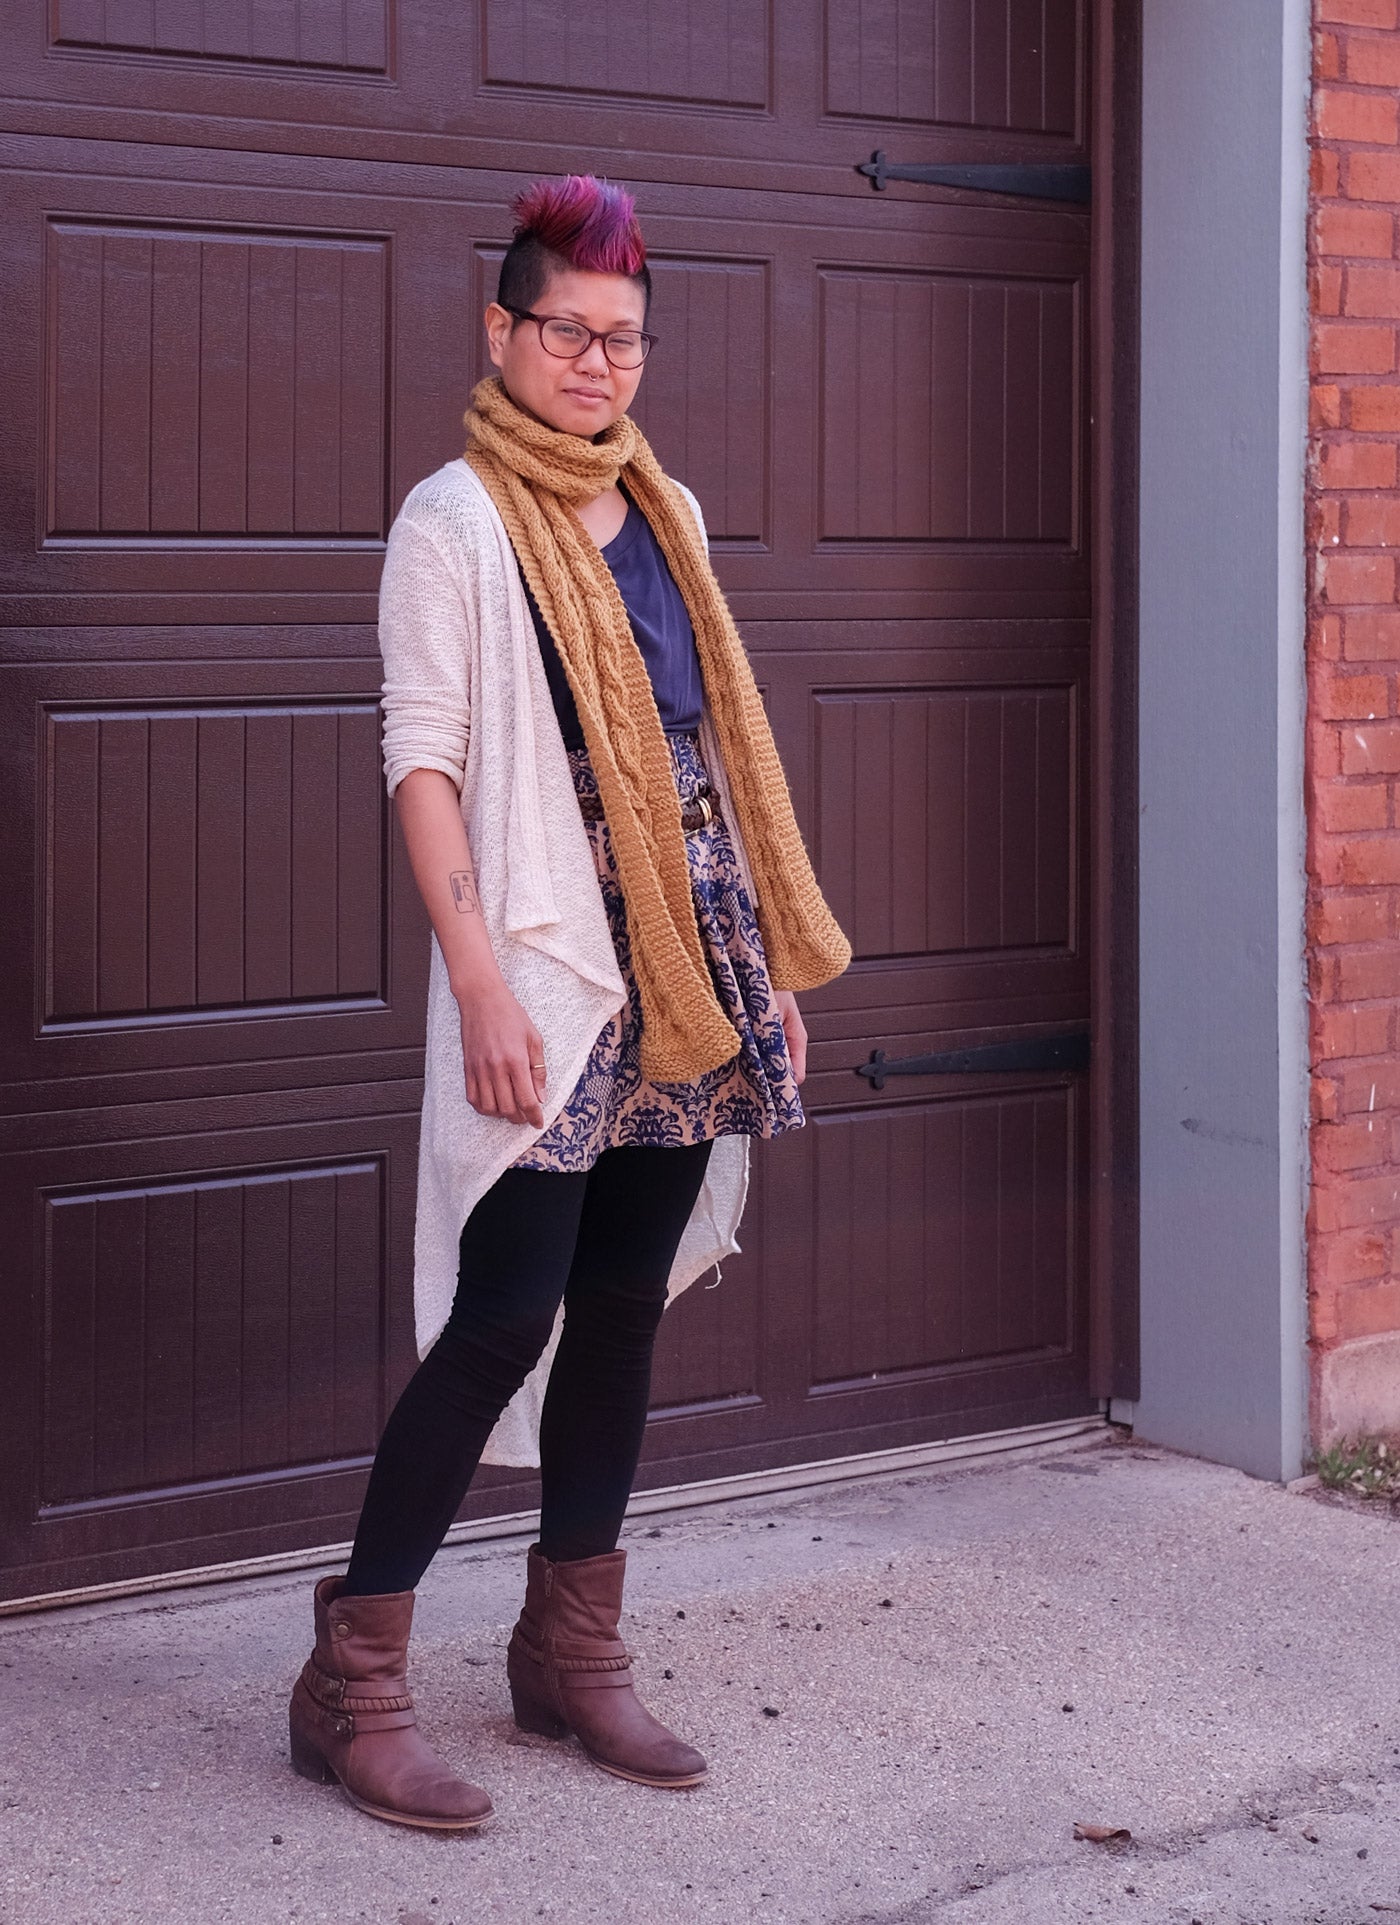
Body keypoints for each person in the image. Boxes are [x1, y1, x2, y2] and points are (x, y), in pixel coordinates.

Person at [287, 175, 851, 1831]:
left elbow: (699, 750)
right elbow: (426, 757)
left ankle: (570, 1650)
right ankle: (352, 1680)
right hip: (547, 962)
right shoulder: (450, 519)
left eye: (625, 339)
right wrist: (475, 980)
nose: (599, 364)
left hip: (687, 956)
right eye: (569, 331)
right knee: (503, 1313)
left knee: (620, 1308)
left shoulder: (658, 507)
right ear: (501, 332)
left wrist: (759, 969)